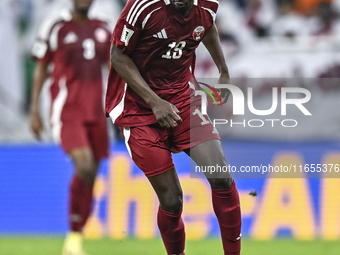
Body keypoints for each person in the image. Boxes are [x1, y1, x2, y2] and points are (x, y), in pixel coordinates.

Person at [106, 0, 242, 254]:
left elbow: (206, 25)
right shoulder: (143, 7)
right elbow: (117, 55)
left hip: (183, 99)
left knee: (222, 178)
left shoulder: (208, 5)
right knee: (172, 200)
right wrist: (155, 102)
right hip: (139, 110)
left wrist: (223, 69)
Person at [29, 0, 111, 254]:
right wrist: (34, 109)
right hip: (67, 111)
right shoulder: (55, 27)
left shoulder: (103, 29)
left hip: (96, 113)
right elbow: (41, 67)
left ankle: (75, 237)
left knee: (92, 172)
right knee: (84, 165)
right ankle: (74, 237)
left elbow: (115, 68)